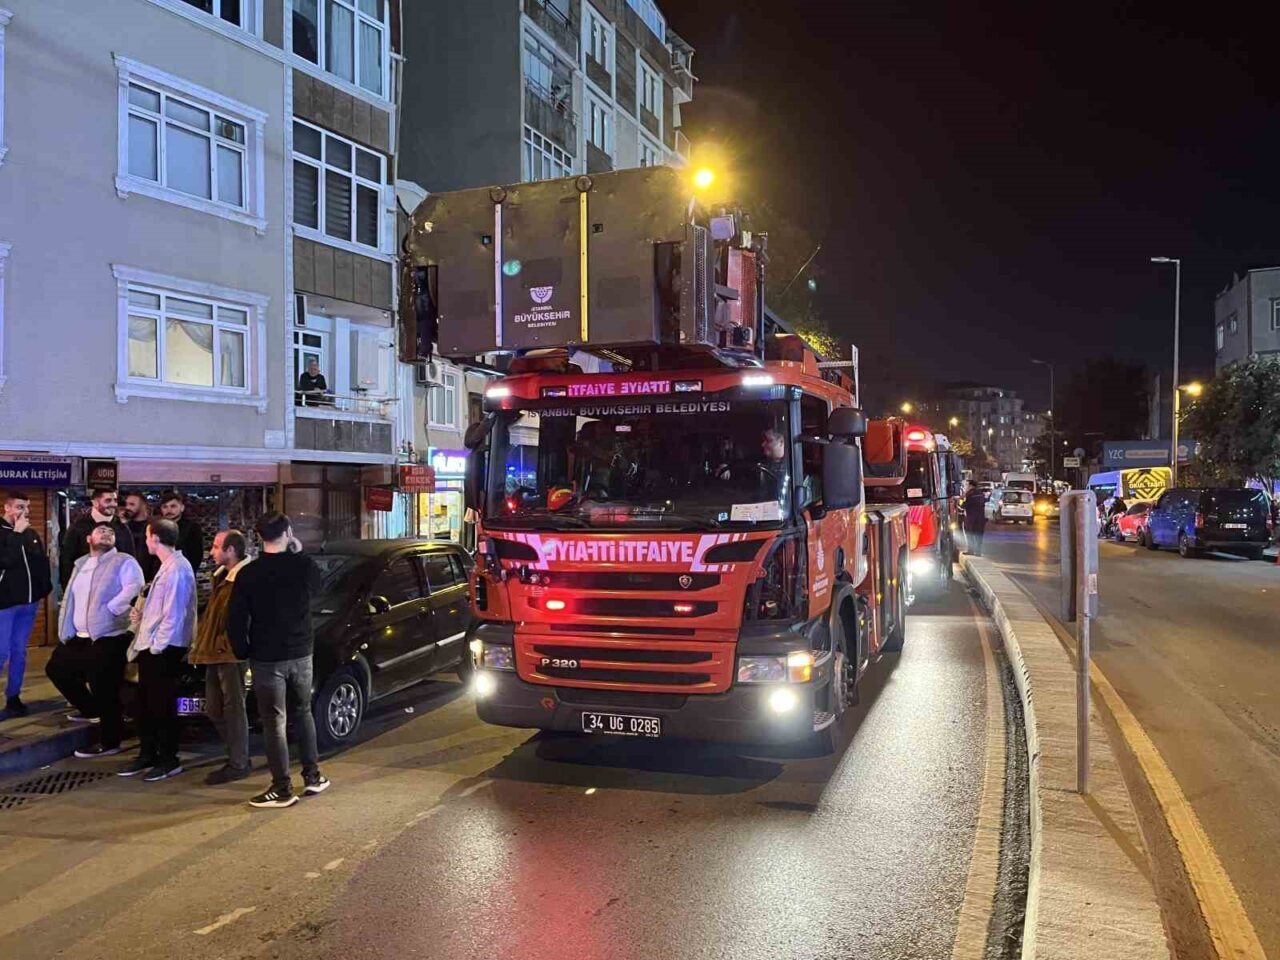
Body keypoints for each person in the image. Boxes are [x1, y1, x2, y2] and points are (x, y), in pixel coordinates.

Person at [229, 512, 329, 809]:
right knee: (303, 712)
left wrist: (242, 650)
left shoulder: (248, 573)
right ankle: (313, 776)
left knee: (275, 722)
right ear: (288, 532)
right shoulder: (303, 565)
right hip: (301, 651)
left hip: (266, 656)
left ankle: (282, 788)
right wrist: (297, 551)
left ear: (259, 537)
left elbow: (235, 619)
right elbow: (319, 591)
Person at [48, 523, 143, 754]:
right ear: (89, 538)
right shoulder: (81, 564)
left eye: (111, 532)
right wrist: (65, 628)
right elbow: (71, 597)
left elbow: (136, 586)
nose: (107, 534)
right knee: (57, 669)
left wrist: (113, 607)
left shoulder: (123, 560)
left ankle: (111, 742)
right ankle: (90, 709)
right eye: (101, 531)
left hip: (108, 634)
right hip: (79, 636)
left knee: (105, 688)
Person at [119, 518, 197, 782]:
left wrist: (156, 647)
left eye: (148, 536)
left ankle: (168, 759)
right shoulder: (167, 566)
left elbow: (174, 614)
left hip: (164, 649)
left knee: (161, 706)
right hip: (151, 646)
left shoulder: (178, 570)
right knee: (145, 705)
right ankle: (148, 753)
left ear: (153, 537)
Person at [190, 530, 252, 784]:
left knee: (233, 709)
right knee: (215, 708)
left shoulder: (243, 578)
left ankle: (238, 761)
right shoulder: (221, 577)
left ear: (230, 550)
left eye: (216, 547)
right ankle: (239, 754)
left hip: (229, 653)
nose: (211, 552)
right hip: (213, 652)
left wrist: (237, 647)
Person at [1, 492, 53, 716]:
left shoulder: (30, 533)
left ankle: (13, 696)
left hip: (29, 603)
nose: (25, 512)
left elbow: (40, 562)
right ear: (7, 508)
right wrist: (16, 534)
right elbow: (5, 561)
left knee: (19, 652)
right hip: (4, 604)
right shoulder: (7, 533)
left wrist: (44, 589)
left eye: (27, 508)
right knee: (1, 652)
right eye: (20, 507)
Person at [60, 489, 135, 589]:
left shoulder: (122, 528)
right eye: (108, 500)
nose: (113, 504)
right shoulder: (78, 526)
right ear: (94, 502)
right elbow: (66, 560)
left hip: (115, 589)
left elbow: (130, 559)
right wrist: (69, 590)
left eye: (115, 500)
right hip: (84, 587)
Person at [158, 491, 204, 574]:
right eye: (165, 507)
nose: (169, 510)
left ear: (182, 507)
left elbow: (197, 555)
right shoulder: (158, 528)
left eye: (173, 506)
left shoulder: (192, 528)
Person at [121, 492, 159, 582]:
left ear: (143, 505)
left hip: (149, 578)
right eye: (127, 504)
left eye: (132, 504)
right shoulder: (123, 528)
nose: (128, 508)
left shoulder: (154, 526)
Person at [962, 481, 988, 557]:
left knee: (970, 534)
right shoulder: (981, 493)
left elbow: (964, 505)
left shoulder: (969, 494)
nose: (966, 486)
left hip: (971, 518)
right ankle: (978, 552)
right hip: (981, 518)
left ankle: (971, 550)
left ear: (970, 485)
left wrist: (961, 500)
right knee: (979, 535)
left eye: (967, 485)